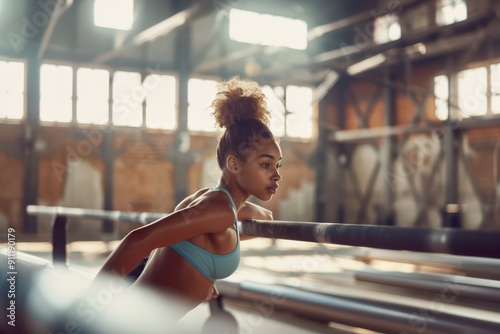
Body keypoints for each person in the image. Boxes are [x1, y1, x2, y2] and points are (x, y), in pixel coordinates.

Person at [92, 76, 283, 320]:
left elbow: (264, 216)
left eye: (278, 165)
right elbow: (137, 241)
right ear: (234, 164)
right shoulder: (219, 210)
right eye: (266, 165)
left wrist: (202, 277)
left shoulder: (214, 202)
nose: (276, 175)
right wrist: (87, 305)